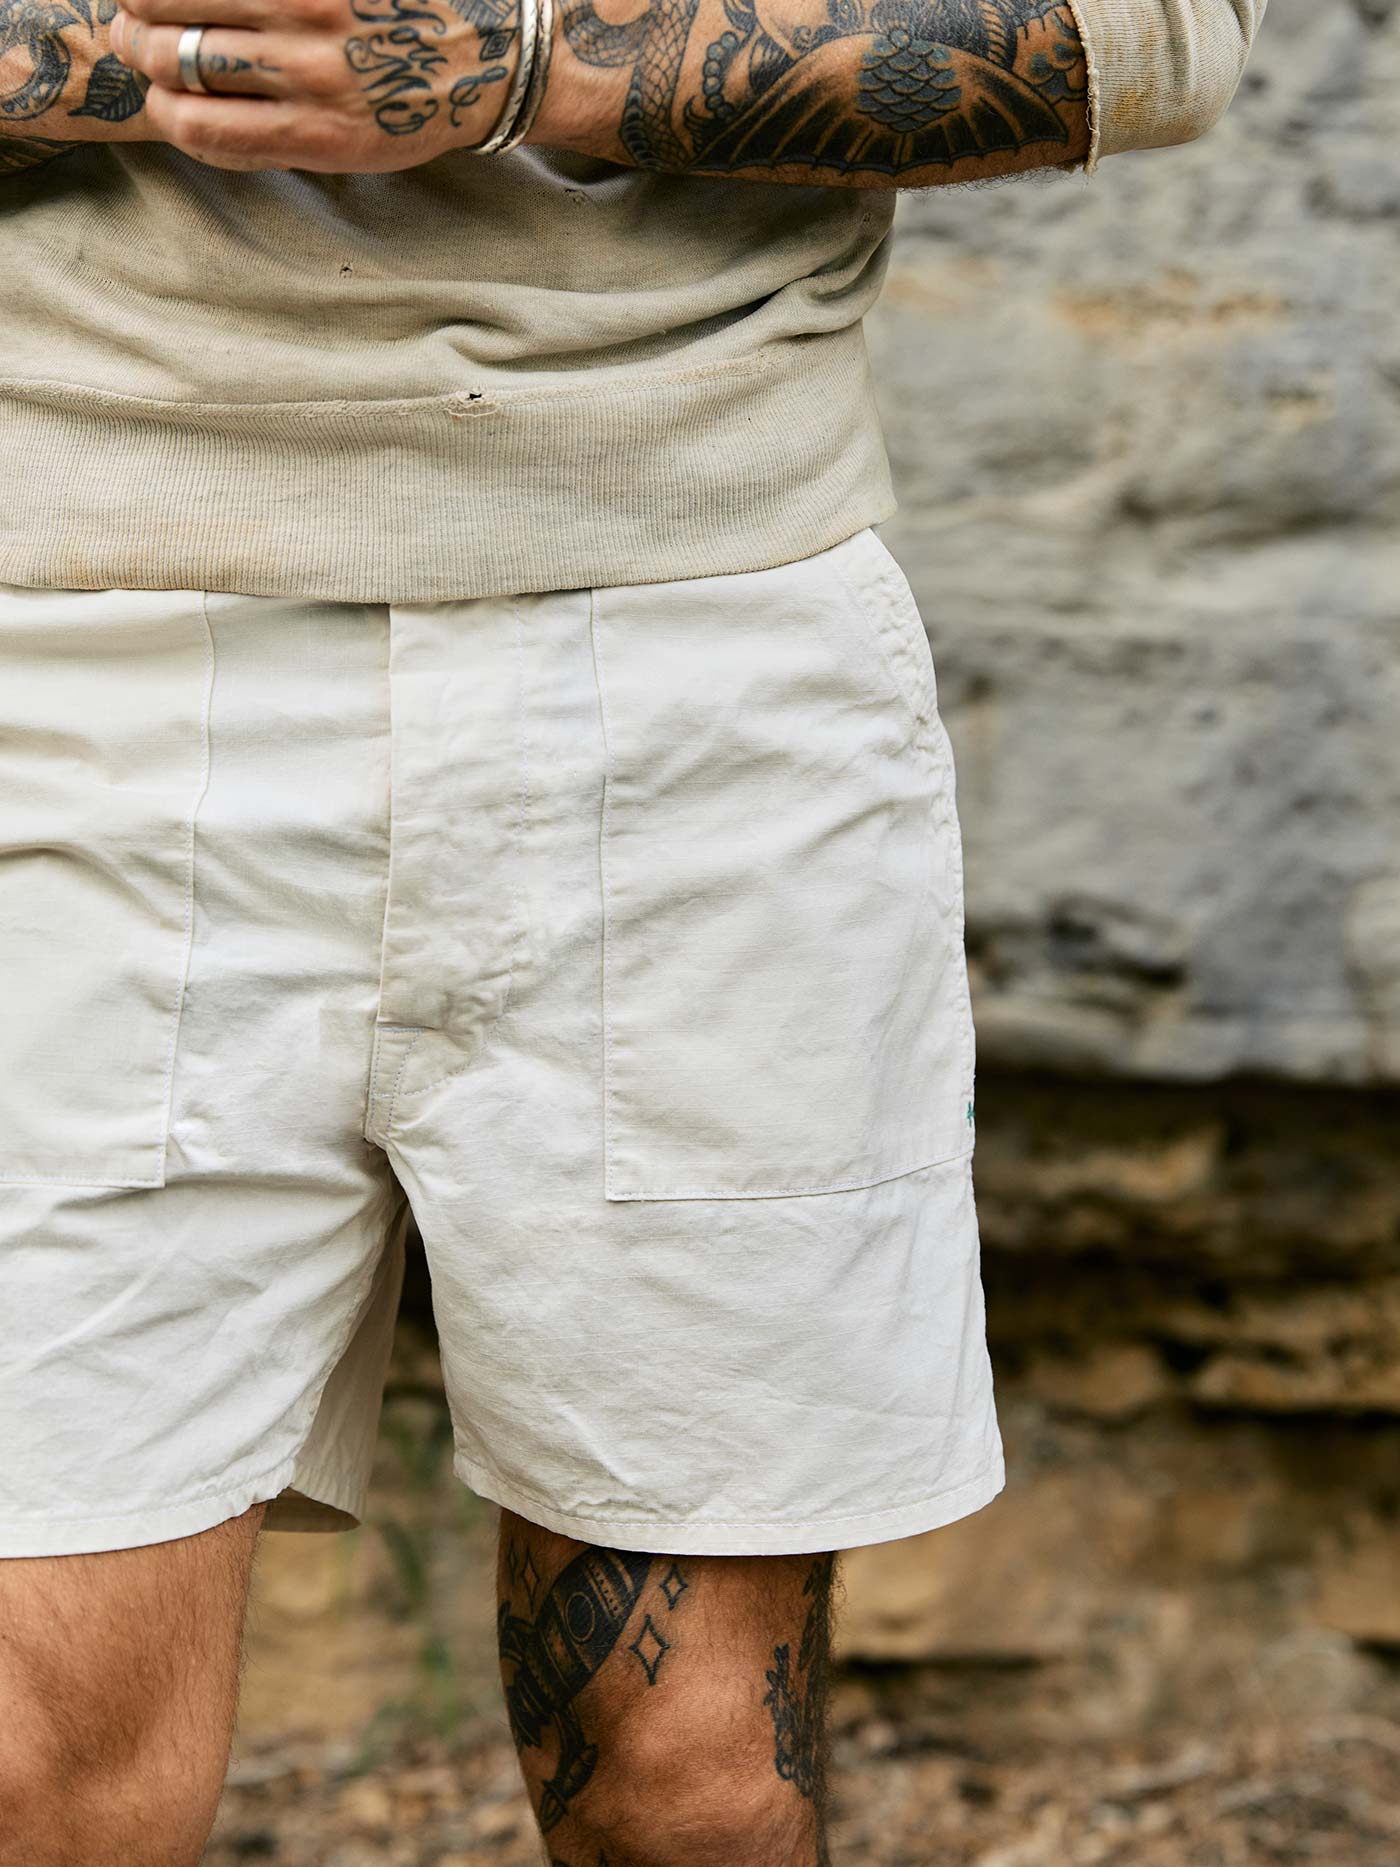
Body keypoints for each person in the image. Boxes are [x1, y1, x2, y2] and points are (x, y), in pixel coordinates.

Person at [0, 0, 1264, 1859]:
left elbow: (1146, 39)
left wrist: (526, 66)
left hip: (704, 646)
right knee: (36, 1770)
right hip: (74, 634)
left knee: (693, 1786)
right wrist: (180, 56)